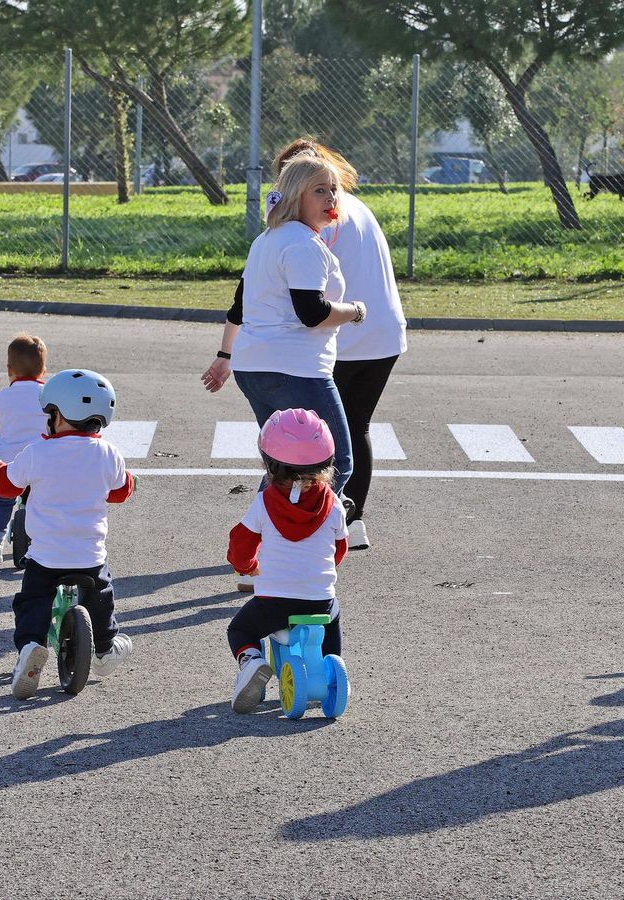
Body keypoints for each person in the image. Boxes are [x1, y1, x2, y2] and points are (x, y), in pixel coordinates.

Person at [200, 154, 366, 581]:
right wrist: (355, 311)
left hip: (256, 366)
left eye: (334, 190)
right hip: (297, 367)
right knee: (336, 461)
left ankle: (251, 554)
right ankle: (283, 551)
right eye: (319, 190)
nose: (331, 197)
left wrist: (226, 357)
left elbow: (242, 305)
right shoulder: (303, 244)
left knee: (284, 464)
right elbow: (311, 313)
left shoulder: (266, 240)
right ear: (295, 196)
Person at [263, 140, 407, 552]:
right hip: (382, 335)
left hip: (341, 338)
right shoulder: (356, 205)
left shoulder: (316, 216)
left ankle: (299, 525)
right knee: (354, 428)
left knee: (307, 435)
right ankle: (352, 519)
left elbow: (300, 286)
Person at [0, 368, 138, 700]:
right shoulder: (109, 454)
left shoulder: (38, 453)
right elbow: (121, 491)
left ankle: (31, 648)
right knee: (101, 598)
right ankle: (106, 648)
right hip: (89, 556)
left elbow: (7, 483)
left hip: (46, 555)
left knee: (32, 602)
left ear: (59, 416)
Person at [225, 409, 349, 713]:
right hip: (317, 599)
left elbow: (240, 544)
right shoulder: (334, 505)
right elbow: (340, 549)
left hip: (273, 602)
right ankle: (330, 662)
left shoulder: (263, 502)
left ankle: (252, 661)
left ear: (270, 462)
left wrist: (247, 565)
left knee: (240, 630)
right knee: (333, 614)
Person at [0, 333, 49, 563]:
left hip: (9, 464)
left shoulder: (3, 396)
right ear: (43, 370)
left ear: (9, 370)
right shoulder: (49, 395)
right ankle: (44, 541)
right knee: (44, 500)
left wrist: (1, 432)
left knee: (1, 498)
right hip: (41, 462)